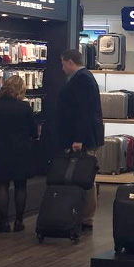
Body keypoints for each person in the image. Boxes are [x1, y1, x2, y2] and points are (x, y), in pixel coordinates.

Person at [0, 75, 38, 233]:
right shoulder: (25, 107)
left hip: (0, 149)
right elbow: (33, 130)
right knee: (21, 186)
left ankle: (3, 222)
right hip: (21, 150)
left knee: (2, 185)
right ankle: (19, 221)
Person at [58, 48, 104, 230]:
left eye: (63, 64)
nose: (62, 68)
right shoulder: (86, 77)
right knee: (85, 176)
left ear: (70, 62)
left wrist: (78, 139)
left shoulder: (81, 79)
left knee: (86, 177)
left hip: (83, 139)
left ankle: (86, 217)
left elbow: (82, 112)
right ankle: (84, 215)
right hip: (87, 136)